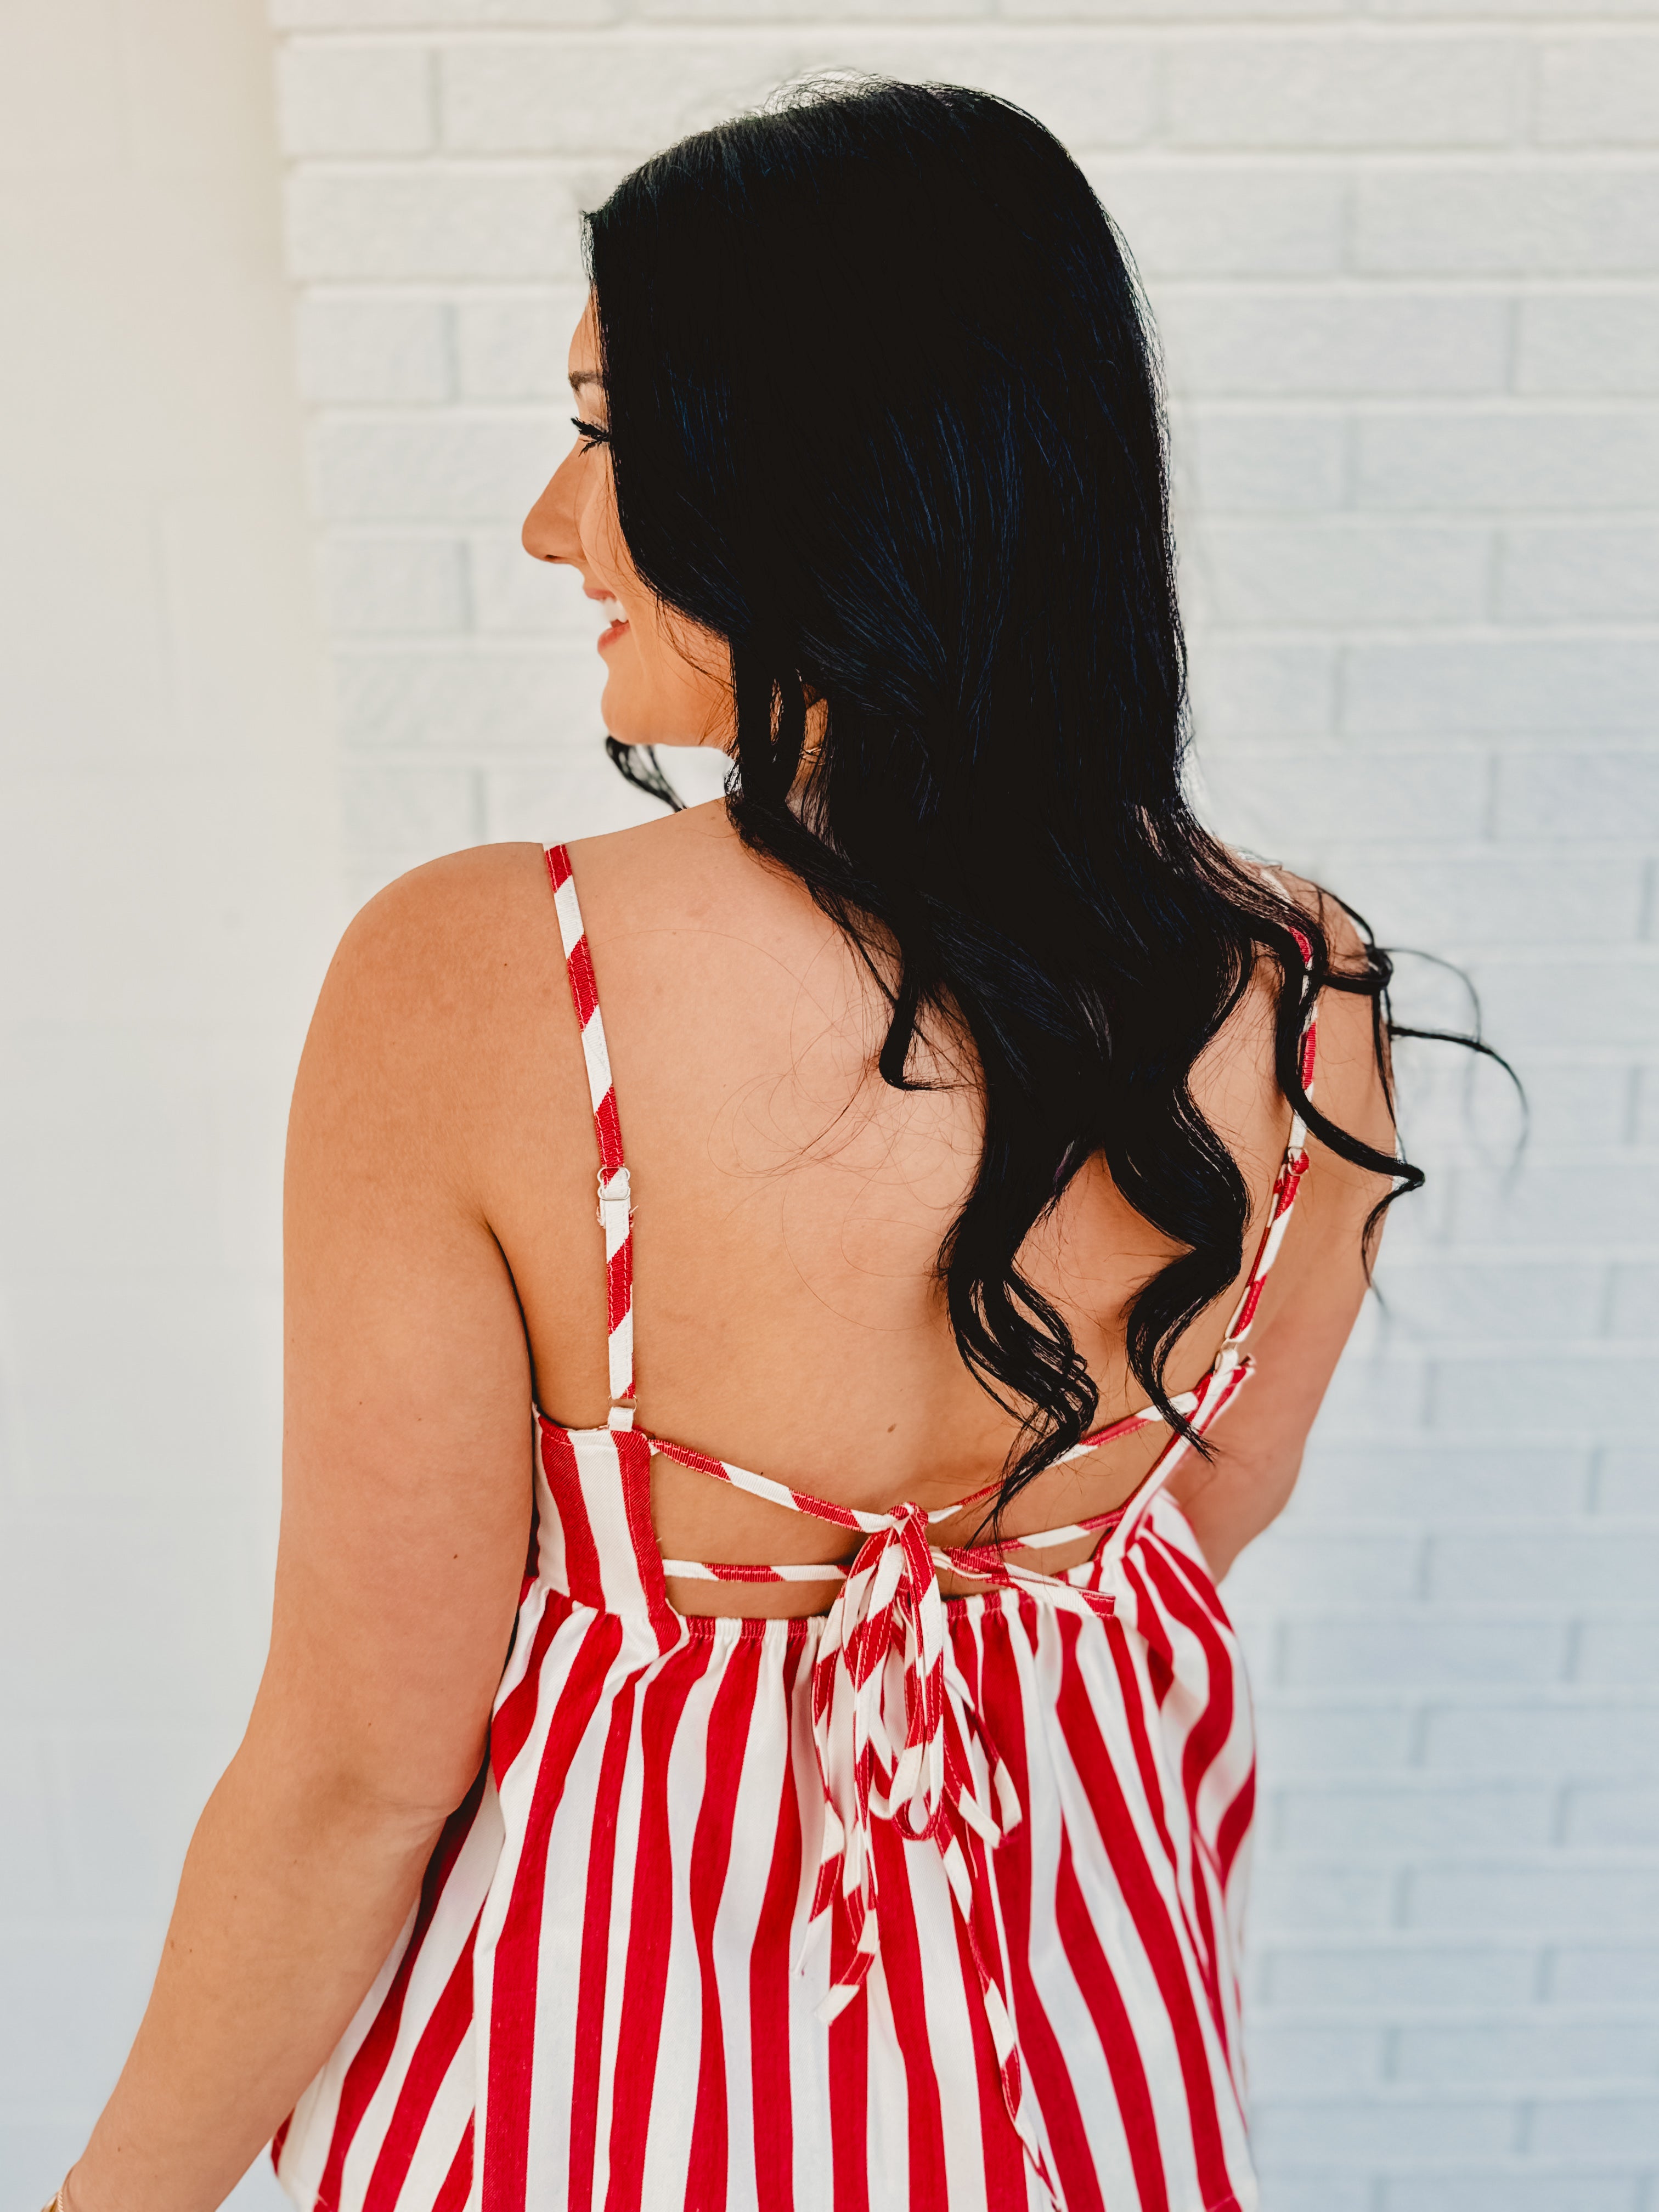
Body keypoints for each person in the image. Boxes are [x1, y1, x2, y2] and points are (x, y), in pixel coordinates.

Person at [57, 77, 1412, 2212]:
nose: (547, 525)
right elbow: (1181, 1550)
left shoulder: (493, 980)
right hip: (1071, 2097)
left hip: (581, 2100)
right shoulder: (1305, 988)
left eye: (606, 433)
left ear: (809, 471)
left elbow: (357, 1774)